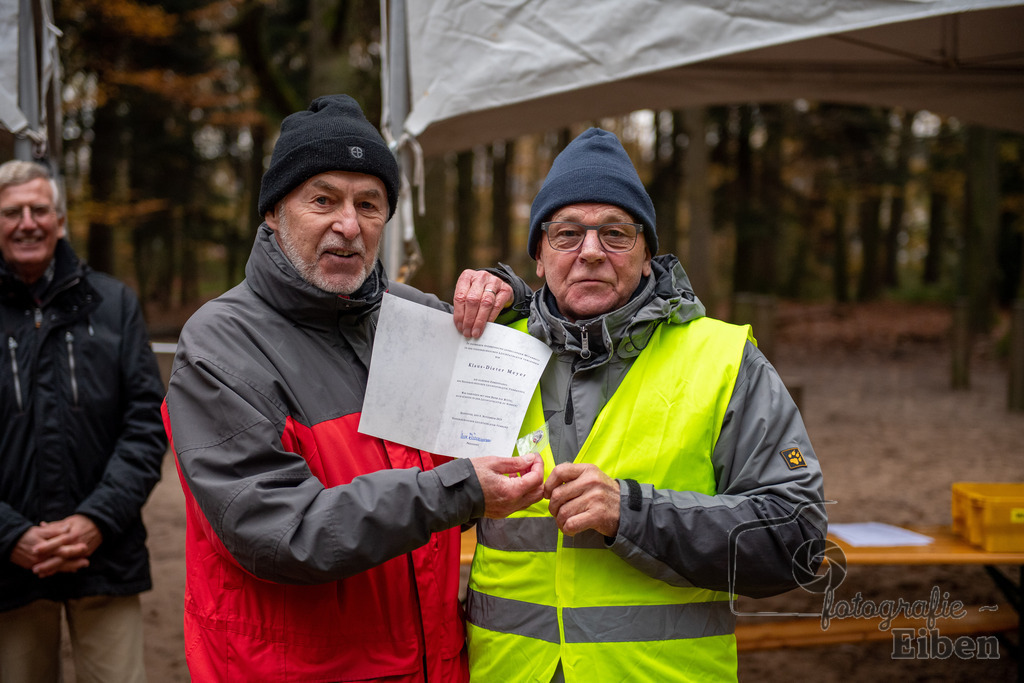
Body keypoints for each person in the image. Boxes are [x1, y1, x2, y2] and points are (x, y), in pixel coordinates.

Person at [161, 94, 544, 682]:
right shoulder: (222, 343)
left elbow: (542, 338)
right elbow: (280, 531)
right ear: (273, 213)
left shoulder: (412, 318)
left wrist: (506, 293)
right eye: (323, 200)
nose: (349, 225)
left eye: (369, 204)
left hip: (431, 666)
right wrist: (459, 491)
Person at [465, 128, 827, 682]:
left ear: (646, 253)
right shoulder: (488, 352)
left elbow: (796, 538)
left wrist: (633, 513)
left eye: (615, 233)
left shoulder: (724, 360)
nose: (591, 251)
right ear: (538, 255)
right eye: (567, 233)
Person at [0, 159, 167, 683]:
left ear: (60, 220)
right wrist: (10, 535)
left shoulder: (113, 304)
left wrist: (97, 520)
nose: (27, 222)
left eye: (39, 209)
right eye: (11, 212)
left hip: (105, 555)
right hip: (7, 569)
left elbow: (146, 426)